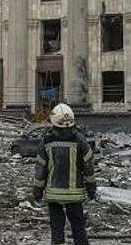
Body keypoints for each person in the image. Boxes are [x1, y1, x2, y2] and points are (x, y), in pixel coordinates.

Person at [33, 103, 96, 245]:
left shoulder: (47, 141)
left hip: (53, 194)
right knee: (78, 228)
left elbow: (40, 170)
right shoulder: (80, 140)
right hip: (75, 194)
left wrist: (37, 193)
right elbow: (89, 169)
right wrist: (92, 191)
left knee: (57, 229)